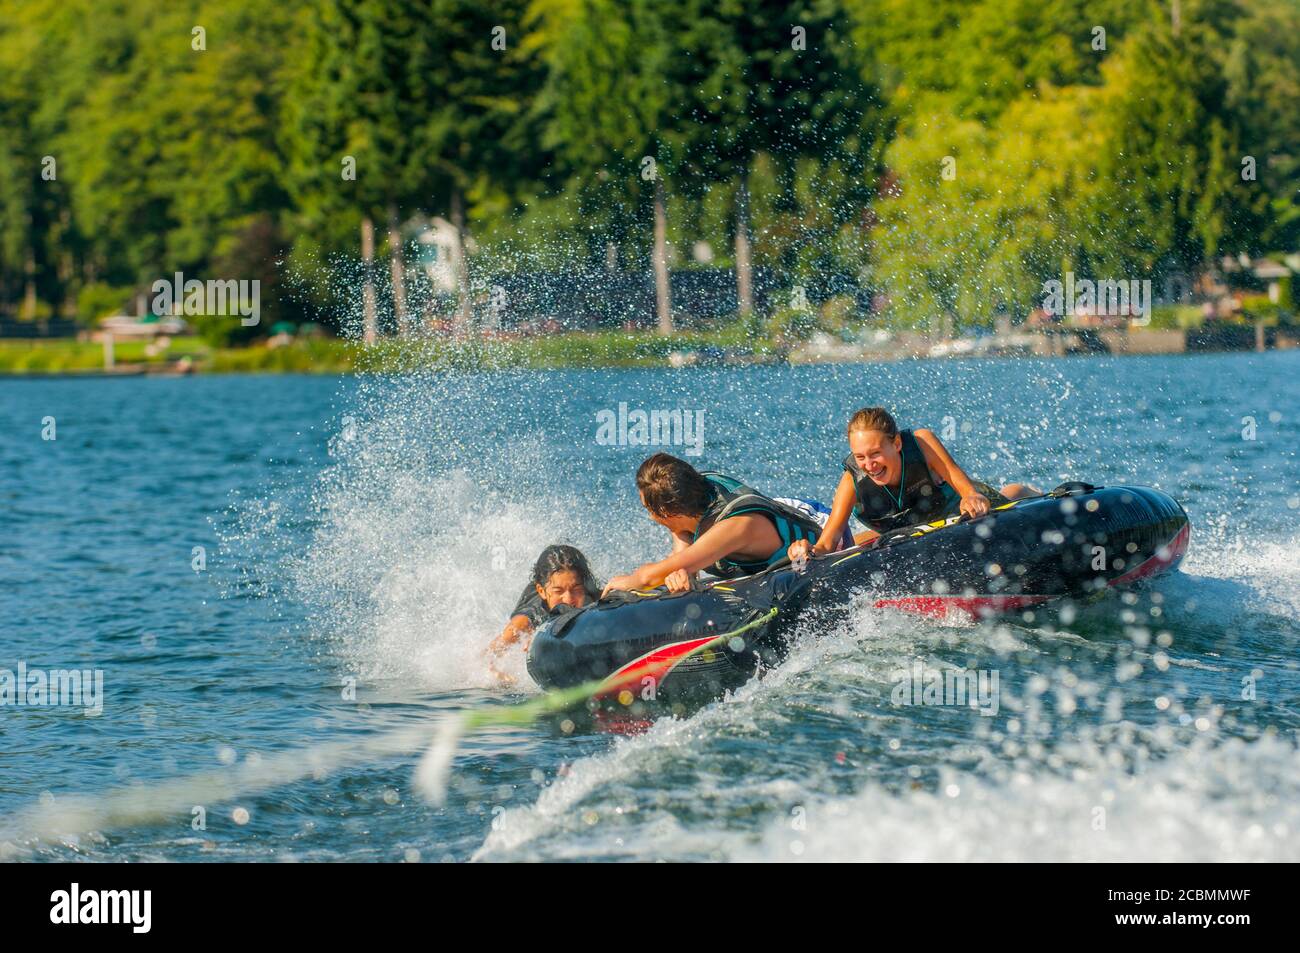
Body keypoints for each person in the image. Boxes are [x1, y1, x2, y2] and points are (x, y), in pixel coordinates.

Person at [788, 406, 1040, 562]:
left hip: (954, 513)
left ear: (896, 444)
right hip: (911, 530)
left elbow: (965, 490)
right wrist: (807, 551)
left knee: (1010, 499)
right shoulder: (852, 481)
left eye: (875, 453)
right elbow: (827, 543)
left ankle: (1026, 491)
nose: (869, 464)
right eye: (860, 457)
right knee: (867, 541)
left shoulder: (922, 443)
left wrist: (972, 498)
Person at [603, 452, 832, 595]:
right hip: (778, 514)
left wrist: (626, 582)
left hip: (818, 532)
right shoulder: (691, 495)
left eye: (649, 510)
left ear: (667, 512)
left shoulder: (733, 527)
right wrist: (683, 572)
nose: (650, 517)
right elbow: (682, 542)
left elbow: (648, 578)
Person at [486, 544, 600, 684]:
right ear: (541, 591)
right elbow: (489, 655)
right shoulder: (528, 618)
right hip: (538, 601)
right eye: (559, 592)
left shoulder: (591, 594)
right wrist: (498, 675)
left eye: (576, 590)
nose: (568, 599)